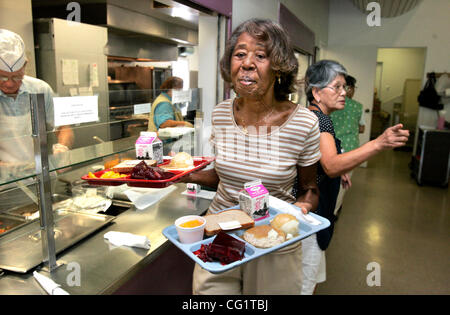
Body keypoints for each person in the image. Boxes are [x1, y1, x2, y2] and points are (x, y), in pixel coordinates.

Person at [181, 18, 321, 294]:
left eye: (260, 55)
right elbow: (224, 177)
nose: (246, 63)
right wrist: (176, 176)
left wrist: (301, 210)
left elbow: (310, 189)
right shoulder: (222, 113)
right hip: (219, 232)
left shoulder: (304, 122)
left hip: (272, 239)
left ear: (279, 68)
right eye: (240, 54)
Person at [297, 59, 410, 294]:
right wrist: (378, 144)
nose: (344, 93)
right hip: (310, 215)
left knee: (312, 276)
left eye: (345, 87)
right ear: (316, 92)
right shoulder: (319, 120)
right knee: (304, 284)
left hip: (315, 211)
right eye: (336, 87)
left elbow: (324, 162)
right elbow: (329, 165)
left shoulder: (315, 115)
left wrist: (340, 172)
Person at [0, 29, 74, 208]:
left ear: (25, 66)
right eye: (2, 77)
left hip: (43, 181)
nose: (10, 83)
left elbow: (63, 126)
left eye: (17, 77)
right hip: (5, 189)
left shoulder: (40, 89)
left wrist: (62, 148)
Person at [329, 75, 365, 216]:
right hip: (350, 149)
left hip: (331, 147)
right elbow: (362, 128)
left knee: (329, 180)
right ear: (349, 89)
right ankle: (334, 212)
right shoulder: (357, 107)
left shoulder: (331, 103)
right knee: (343, 185)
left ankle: (325, 211)